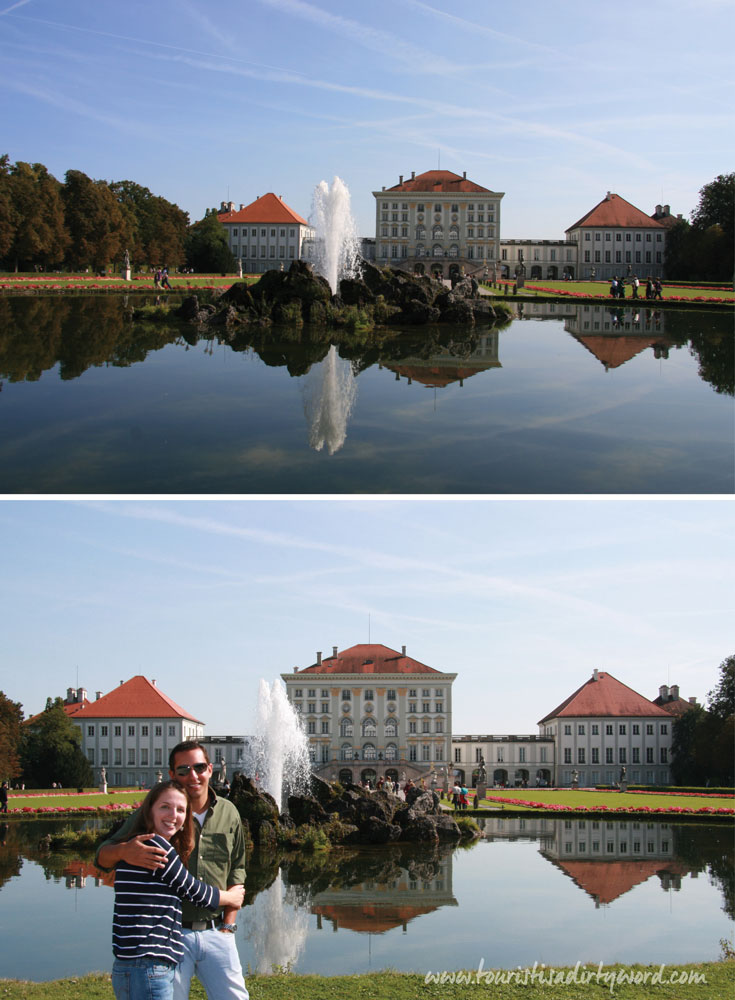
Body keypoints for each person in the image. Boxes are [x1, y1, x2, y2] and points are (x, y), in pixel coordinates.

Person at [96, 741, 248, 1000]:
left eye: (199, 767)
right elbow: (101, 857)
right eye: (183, 769)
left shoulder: (228, 812)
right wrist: (124, 851)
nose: (193, 775)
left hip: (215, 931)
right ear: (171, 775)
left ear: (210, 769)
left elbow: (238, 871)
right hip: (170, 935)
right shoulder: (157, 816)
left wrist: (229, 926)